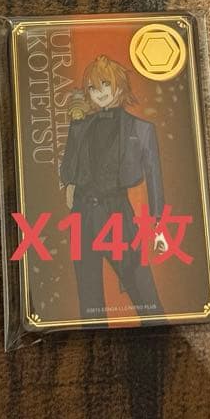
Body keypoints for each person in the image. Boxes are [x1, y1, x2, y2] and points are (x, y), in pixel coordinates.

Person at [60, 55, 167, 323]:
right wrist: (70, 183)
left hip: (116, 212)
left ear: (118, 86)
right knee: (89, 299)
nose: (100, 93)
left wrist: (159, 225)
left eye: (105, 84)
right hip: (83, 215)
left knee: (142, 289)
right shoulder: (80, 125)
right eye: (93, 88)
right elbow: (67, 169)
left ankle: (161, 334)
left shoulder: (141, 129)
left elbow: (154, 177)